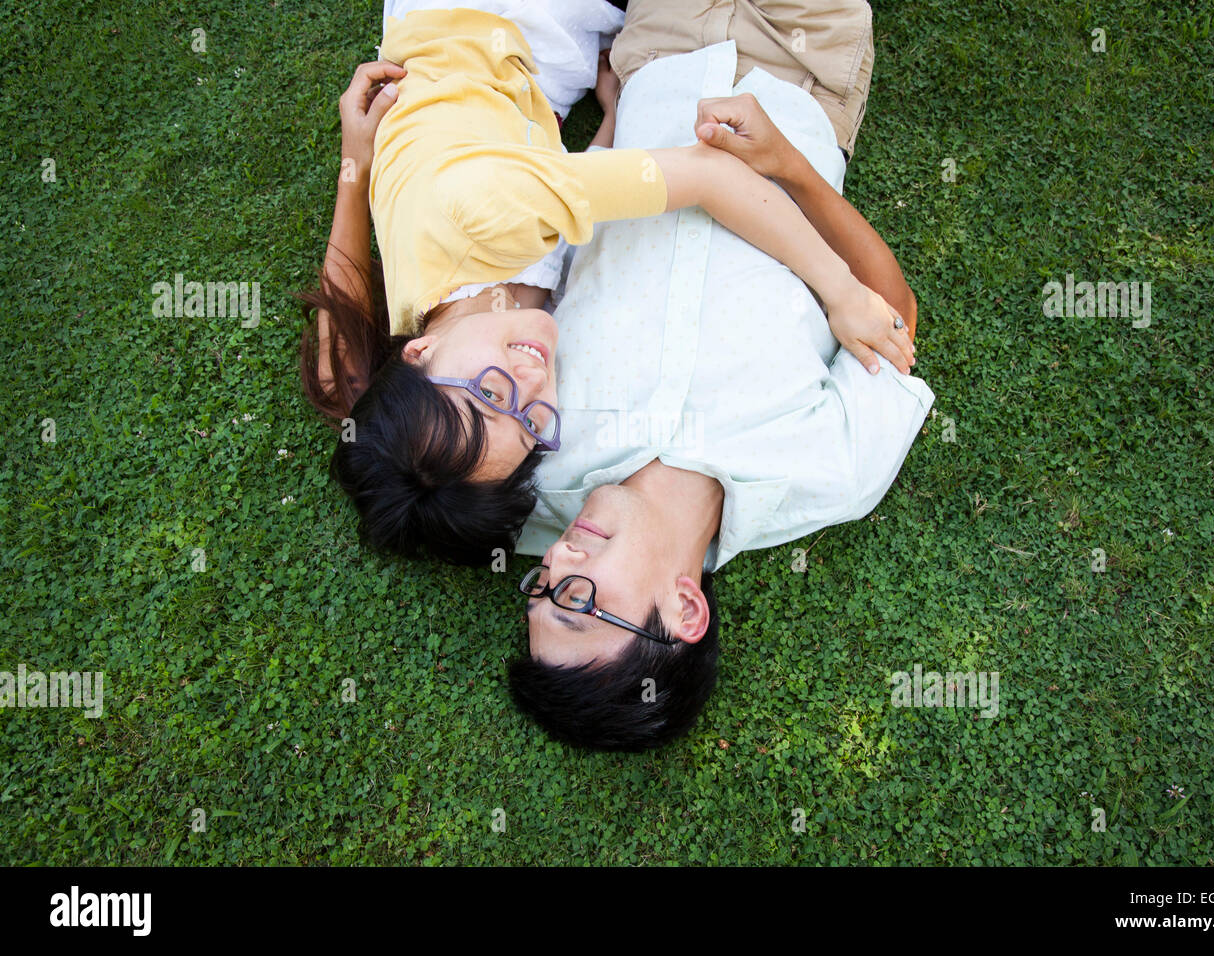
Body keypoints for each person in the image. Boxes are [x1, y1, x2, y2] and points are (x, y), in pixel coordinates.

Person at [296, 0, 906, 566]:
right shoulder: (461, 321)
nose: (531, 382)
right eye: (532, 424)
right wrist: (356, 162)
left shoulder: (484, 213)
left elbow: (710, 177)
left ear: (418, 353)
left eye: (488, 392)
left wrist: (844, 294)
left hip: (505, 18)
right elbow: (338, 378)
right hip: (530, 73)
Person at [509, 0, 932, 751]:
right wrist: (787, 166)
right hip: (799, 67)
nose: (559, 561)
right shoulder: (827, 474)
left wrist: (612, 115)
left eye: (540, 588)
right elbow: (893, 312)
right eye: (578, 599)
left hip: (658, 53)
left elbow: (556, 257)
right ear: (684, 612)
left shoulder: (532, 465)